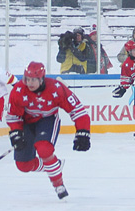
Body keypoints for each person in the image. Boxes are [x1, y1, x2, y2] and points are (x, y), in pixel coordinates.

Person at [7, 62, 90, 200]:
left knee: (44, 150)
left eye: (33, 79)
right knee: (23, 165)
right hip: (27, 123)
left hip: (48, 120)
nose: (30, 83)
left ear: (41, 78)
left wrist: (83, 131)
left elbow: (77, 110)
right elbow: (13, 116)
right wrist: (16, 132)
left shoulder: (56, 88)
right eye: (27, 79)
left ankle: (59, 185)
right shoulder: (18, 91)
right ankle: (53, 164)